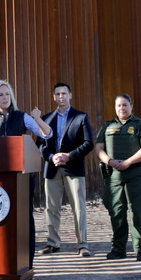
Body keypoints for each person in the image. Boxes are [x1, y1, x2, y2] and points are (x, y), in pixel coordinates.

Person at [0, 79, 52, 266]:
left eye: (7, 94)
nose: (4, 98)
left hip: (20, 178)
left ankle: (25, 261)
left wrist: (37, 118)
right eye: (0, 95)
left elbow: (47, 134)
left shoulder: (21, 117)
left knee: (21, 219)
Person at [94, 93, 141, 261]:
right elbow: (99, 148)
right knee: (116, 212)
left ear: (131, 106)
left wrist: (128, 162)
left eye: (125, 105)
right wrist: (109, 161)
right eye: (118, 106)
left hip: (137, 174)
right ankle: (118, 249)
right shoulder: (107, 126)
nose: (121, 108)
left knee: (138, 212)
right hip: (114, 175)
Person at [38, 82, 94, 257]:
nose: (61, 97)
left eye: (64, 93)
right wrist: (50, 156)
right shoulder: (45, 119)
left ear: (70, 95)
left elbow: (89, 143)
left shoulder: (81, 117)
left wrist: (69, 156)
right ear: (53, 97)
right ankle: (53, 243)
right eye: (57, 94)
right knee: (51, 208)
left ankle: (82, 245)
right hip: (52, 168)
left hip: (73, 169)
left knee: (79, 207)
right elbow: (40, 144)